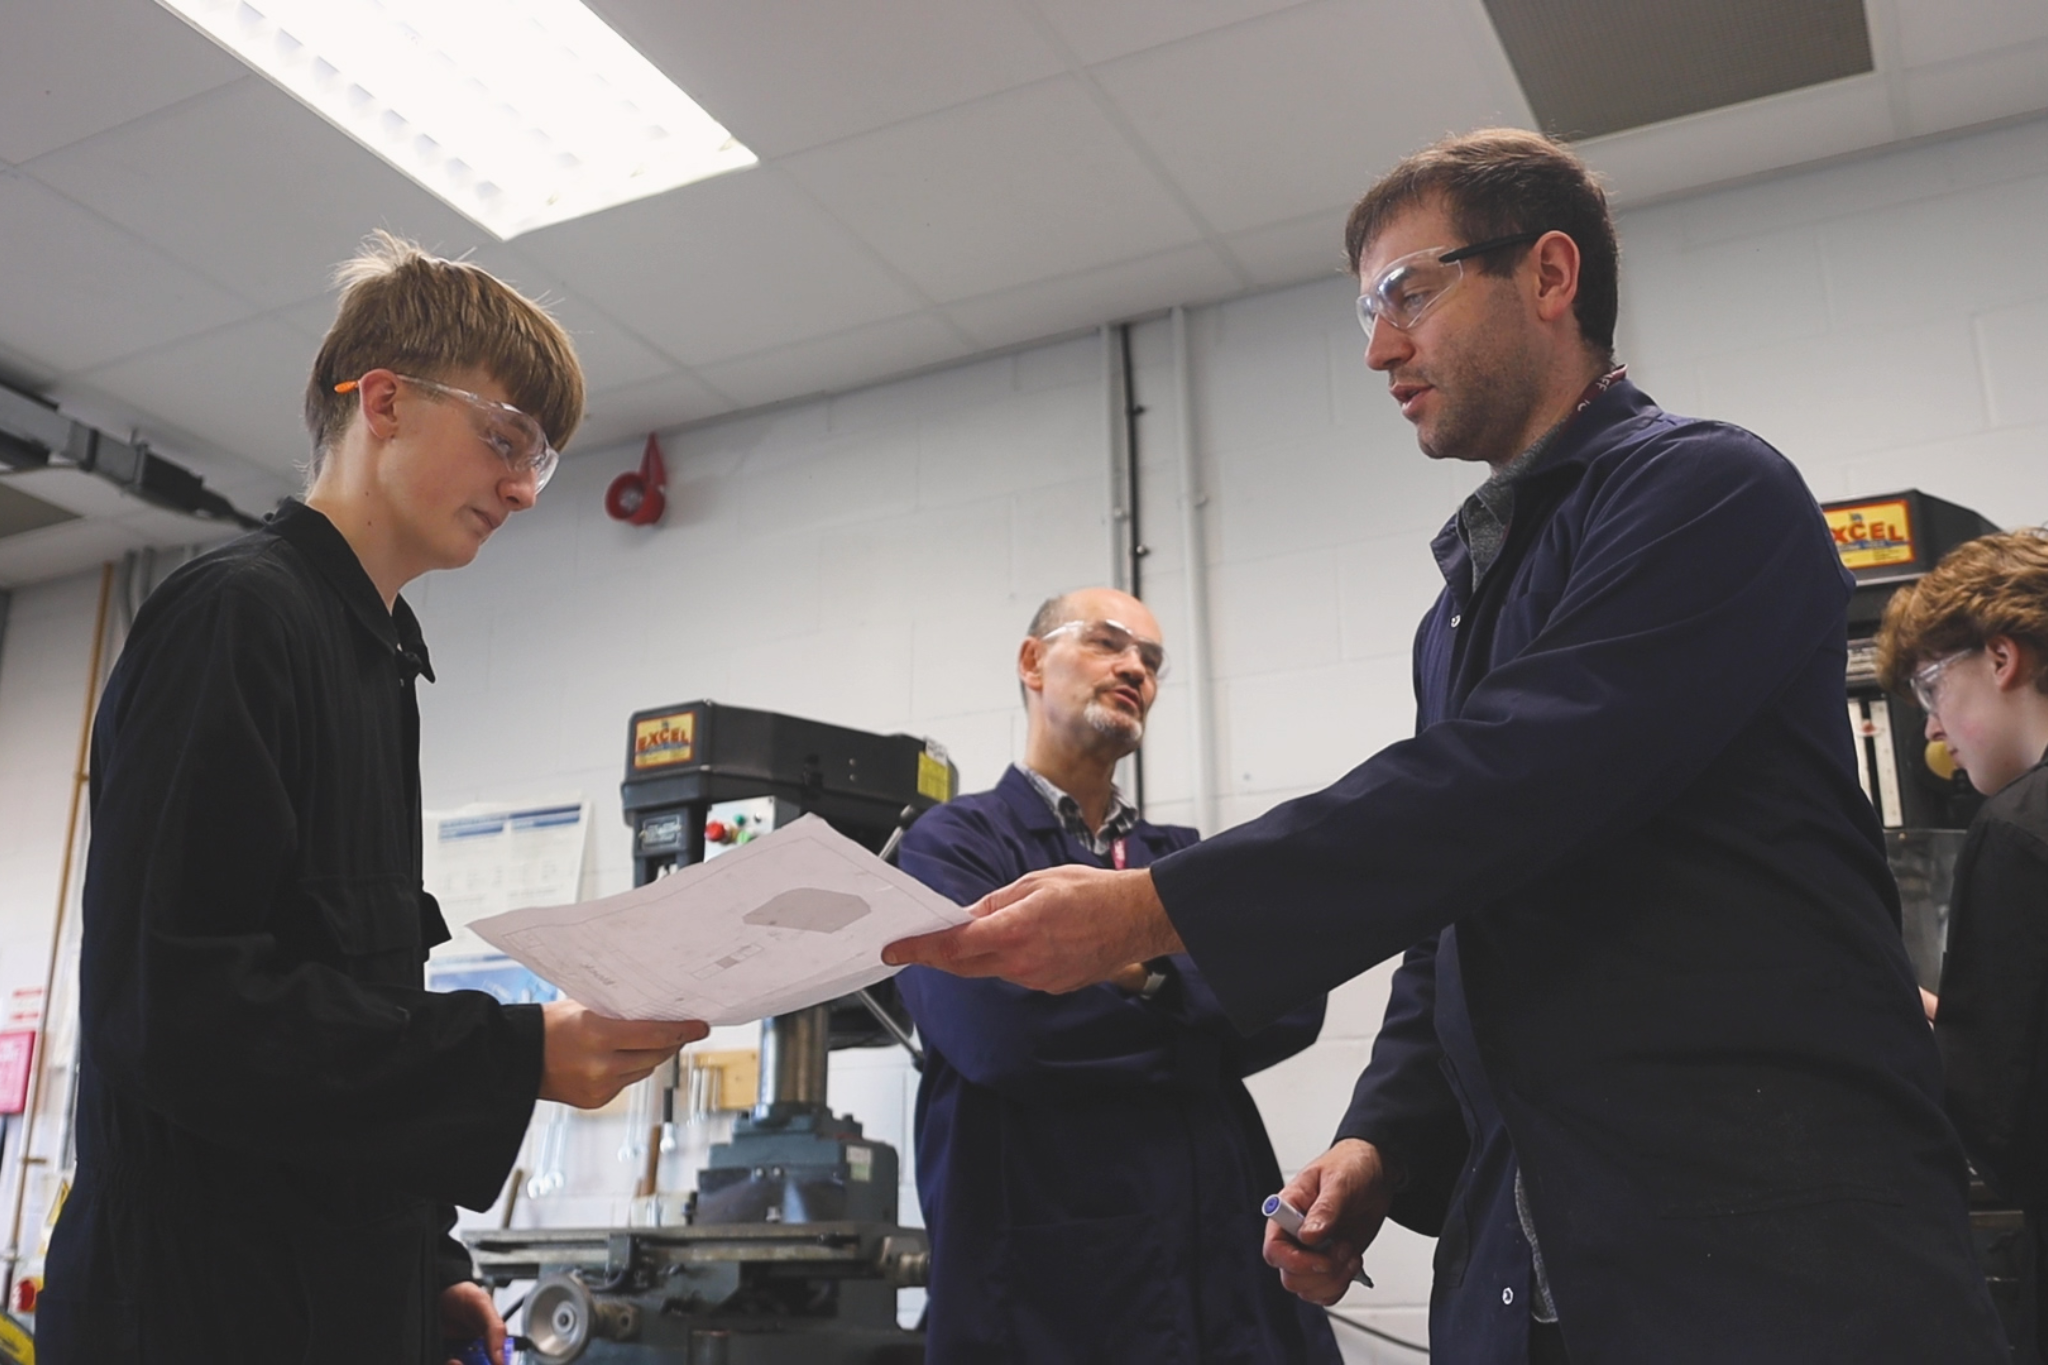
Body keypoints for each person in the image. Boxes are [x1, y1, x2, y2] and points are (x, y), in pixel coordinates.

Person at [886, 130, 2009, 1363]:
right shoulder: (1459, 610)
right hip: (1529, 1264)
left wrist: (1151, 913)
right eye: (1366, 311)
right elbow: (1460, 908)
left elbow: (1514, 783)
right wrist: (1384, 1140)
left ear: (1548, 274)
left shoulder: (1702, 490)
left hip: (1755, 1250)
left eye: (1407, 293)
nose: (1378, 348)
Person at [39, 233, 706, 1365]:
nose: (522, 489)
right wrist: (513, 1056)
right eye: (506, 439)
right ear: (384, 402)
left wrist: (425, 1264)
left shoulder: (378, 659)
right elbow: (179, 1013)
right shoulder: (236, 619)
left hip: (335, 1296)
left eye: (540, 461)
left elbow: (346, 1005)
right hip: (202, 1312)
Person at [894, 586, 1339, 1364]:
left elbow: (1292, 998)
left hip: (1225, 1282)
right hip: (1043, 1290)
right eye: (1107, 642)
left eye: (1152, 660)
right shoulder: (952, 844)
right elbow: (1004, 1036)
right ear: (1033, 661)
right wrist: (1201, 1029)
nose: (1136, 668)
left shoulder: (1184, 855)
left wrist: (1143, 974)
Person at [1878, 528, 2048, 1359]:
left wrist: (1909, 1025)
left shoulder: (2017, 831)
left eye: (1932, 685)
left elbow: (2003, 1121)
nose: (1933, 727)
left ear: (2002, 658)